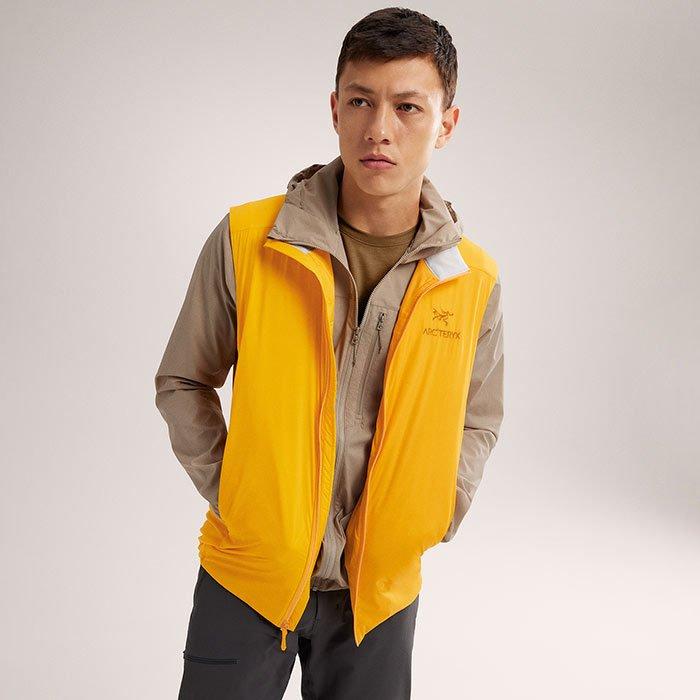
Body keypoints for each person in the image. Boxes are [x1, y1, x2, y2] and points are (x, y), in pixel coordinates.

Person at [155, 7, 504, 699]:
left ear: (446, 124)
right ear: (335, 108)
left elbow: (479, 419)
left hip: (379, 595)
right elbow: (184, 380)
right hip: (247, 577)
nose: (380, 128)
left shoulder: (471, 280)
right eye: (361, 101)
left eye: (408, 107)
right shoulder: (249, 239)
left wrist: (433, 513)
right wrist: (239, 497)